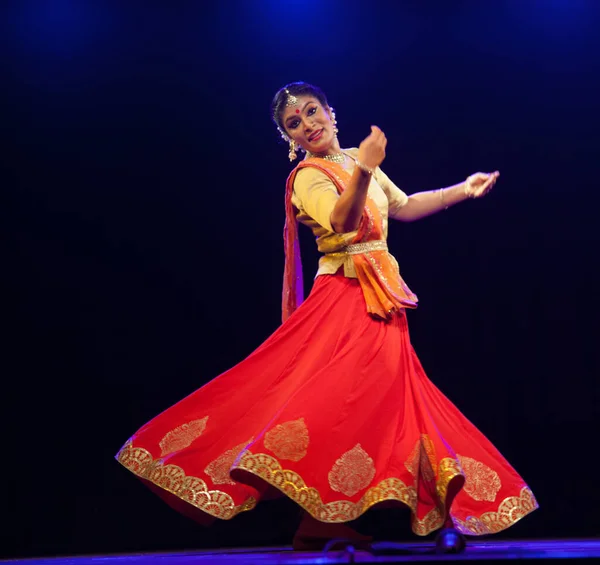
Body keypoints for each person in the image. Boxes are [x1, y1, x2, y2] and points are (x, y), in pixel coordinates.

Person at [116, 81, 537, 551]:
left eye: (312, 112)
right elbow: (342, 221)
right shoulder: (307, 176)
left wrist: (462, 189)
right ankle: (348, 514)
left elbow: (402, 207)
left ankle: (338, 518)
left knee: (383, 403)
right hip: (345, 297)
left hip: (383, 298)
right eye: (294, 124)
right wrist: (364, 168)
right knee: (343, 403)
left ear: (331, 112)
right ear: (289, 139)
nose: (308, 125)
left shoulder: (356, 159)